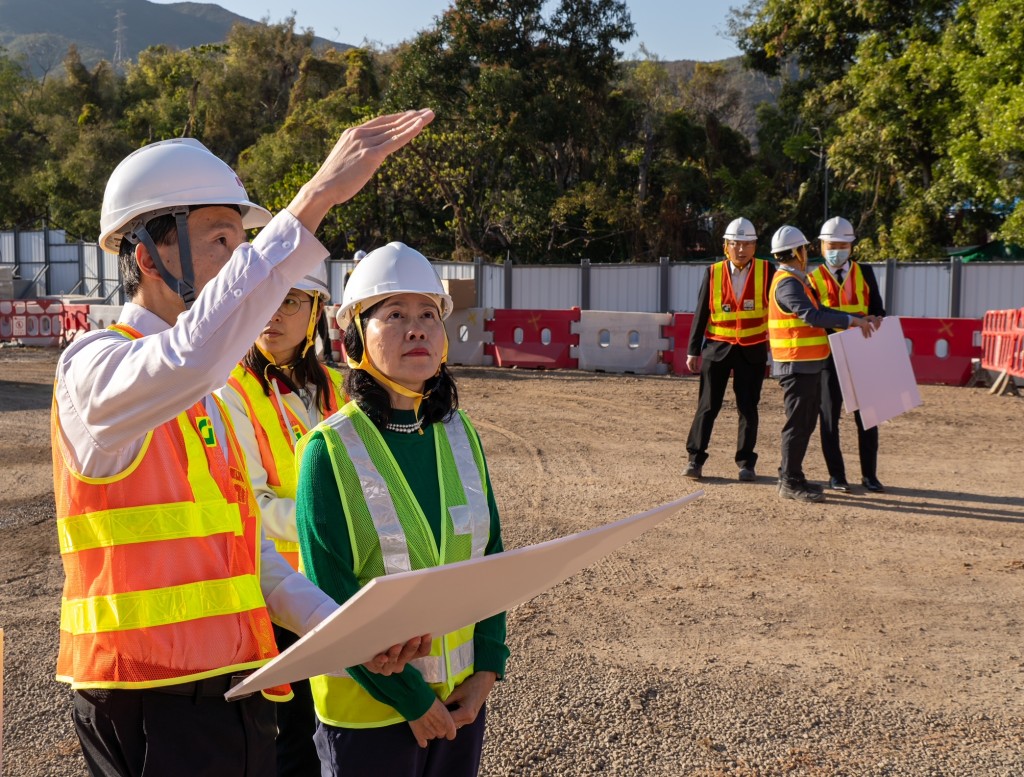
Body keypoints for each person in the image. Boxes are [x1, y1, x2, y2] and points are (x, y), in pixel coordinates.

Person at [51, 109, 436, 777]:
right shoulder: (95, 370)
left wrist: (351, 633)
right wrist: (315, 198)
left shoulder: (204, 396)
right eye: (221, 239)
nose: (241, 260)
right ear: (146, 255)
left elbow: (254, 562)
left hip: (233, 696)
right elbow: (191, 354)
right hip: (147, 702)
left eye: (242, 241)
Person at [294, 242, 509, 777]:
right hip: (369, 717)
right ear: (354, 340)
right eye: (394, 315)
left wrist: (487, 669)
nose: (417, 330)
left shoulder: (460, 434)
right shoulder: (328, 451)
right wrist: (412, 700)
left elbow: (491, 559)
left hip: (461, 703)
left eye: (428, 315)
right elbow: (329, 598)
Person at [216, 262, 345, 776]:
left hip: (338, 582)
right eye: (266, 298)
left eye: (291, 300)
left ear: (315, 311)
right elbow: (253, 505)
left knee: (338, 721)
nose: (274, 313)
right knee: (291, 736)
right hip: (277, 594)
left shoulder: (336, 387)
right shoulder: (231, 391)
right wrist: (336, 525)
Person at [766, 225, 879, 502]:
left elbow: (821, 310)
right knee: (798, 425)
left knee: (804, 423)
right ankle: (790, 481)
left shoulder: (797, 280)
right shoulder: (788, 283)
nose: (807, 253)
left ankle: (791, 475)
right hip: (796, 363)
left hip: (806, 364)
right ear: (796, 252)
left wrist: (855, 319)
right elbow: (812, 316)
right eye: (804, 249)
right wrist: (851, 321)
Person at [684, 217, 775, 482]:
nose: (741, 249)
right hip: (717, 349)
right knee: (707, 406)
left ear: (755, 245)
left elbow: (778, 311)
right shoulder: (713, 272)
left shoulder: (768, 271)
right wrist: (693, 350)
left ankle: (746, 463)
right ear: (726, 246)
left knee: (748, 408)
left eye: (746, 244)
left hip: (752, 350)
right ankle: (694, 459)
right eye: (735, 244)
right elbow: (701, 313)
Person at [808, 216, 887, 492]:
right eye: (832, 245)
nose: (837, 250)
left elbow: (878, 309)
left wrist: (876, 317)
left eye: (843, 245)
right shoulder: (812, 278)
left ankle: (870, 476)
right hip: (829, 355)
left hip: (862, 351)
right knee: (829, 417)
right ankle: (836, 476)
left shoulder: (865, 272)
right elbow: (814, 317)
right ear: (821, 246)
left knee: (868, 417)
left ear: (851, 246)